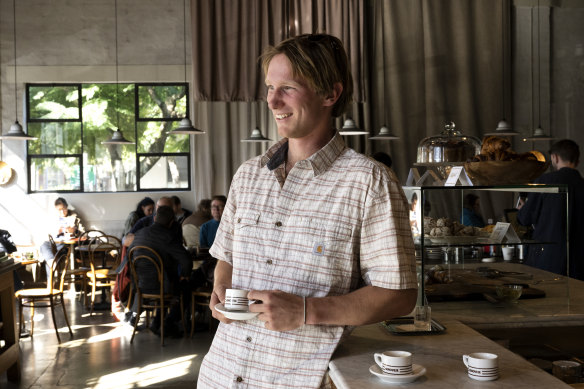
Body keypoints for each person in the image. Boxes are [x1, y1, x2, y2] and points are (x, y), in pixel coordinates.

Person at [197, 33, 417, 388]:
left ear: (330, 94)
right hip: (221, 372)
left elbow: (399, 295)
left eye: (288, 87)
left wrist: (305, 310)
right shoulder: (249, 175)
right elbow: (228, 256)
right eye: (270, 87)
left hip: (300, 378)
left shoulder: (369, 182)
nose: (272, 100)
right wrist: (221, 287)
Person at [517, 139, 584, 280]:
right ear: (577, 161)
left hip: (547, 258)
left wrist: (523, 209)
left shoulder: (544, 180)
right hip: (578, 261)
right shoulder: (581, 184)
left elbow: (525, 218)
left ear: (555, 157)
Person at [129, 205, 192, 335]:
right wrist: (185, 275)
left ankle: (155, 322)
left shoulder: (140, 233)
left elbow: (129, 256)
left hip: (140, 285)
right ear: (171, 223)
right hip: (163, 286)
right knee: (186, 287)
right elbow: (186, 260)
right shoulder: (169, 236)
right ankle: (169, 323)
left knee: (164, 280)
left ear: (155, 217)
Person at [39, 197, 84, 276]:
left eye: (64, 209)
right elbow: (47, 233)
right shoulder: (53, 218)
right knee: (44, 245)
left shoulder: (74, 216)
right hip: (55, 242)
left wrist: (75, 231)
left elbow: (84, 233)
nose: (62, 212)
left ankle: (50, 285)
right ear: (56, 209)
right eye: (59, 210)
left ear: (67, 207)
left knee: (50, 262)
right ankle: (52, 262)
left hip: (66, 244)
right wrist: (57, 232)